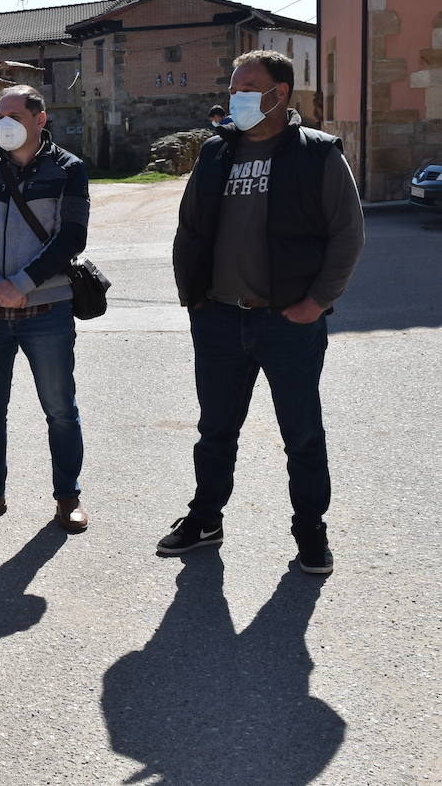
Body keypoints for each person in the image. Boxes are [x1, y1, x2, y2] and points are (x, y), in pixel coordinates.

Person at [163, 49, 364, 574]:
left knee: (301, 432)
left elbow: (347, 234)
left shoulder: (318, 154)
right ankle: (205, 518)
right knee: (215, 429)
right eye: (234, 88)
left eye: (249, 87)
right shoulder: (214, 153)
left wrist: (317, 302)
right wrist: (195, 299)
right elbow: (190, 228)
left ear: (281, 94)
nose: (238, 97)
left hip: (288, 323)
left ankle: (310, 532)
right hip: (220, 320)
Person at [0, 84, 91, 534]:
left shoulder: (69, 169)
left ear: (40, 119)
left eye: (14, 114)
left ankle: (67, 497)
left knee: (60, 409)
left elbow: (71, 237)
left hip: (46, 311)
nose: (4, 122)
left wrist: (24, 283)